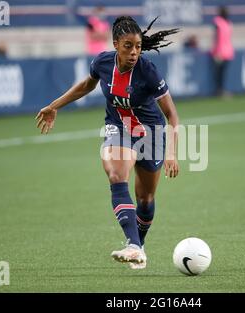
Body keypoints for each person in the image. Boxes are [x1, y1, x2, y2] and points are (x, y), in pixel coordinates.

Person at [35, 16, 180, 270]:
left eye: (137, 46)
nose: (134, 52)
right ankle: (133, 245)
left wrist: (171, 153)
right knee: (116, 174)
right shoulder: (102, 62)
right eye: (128, 46)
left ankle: (138, 244)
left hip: (151, 132)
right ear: (115, 44)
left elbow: (172, 115)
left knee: (145, 199)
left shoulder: (148, 71)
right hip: (118, 127)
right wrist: (53, 106)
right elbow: (84, 86)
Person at [211, 6, 234, 97]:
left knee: (221, 74)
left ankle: (221, 90)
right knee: (220, 73)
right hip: (224, 51)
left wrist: (216, 51)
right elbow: (218, 38)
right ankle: (220, 91)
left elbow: (219, 38)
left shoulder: (223, 23)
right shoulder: (223, 23)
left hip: (224, 52)